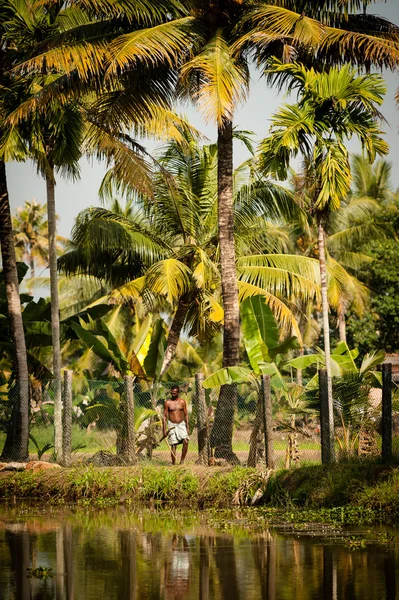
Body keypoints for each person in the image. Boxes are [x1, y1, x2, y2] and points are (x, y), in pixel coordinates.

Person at [163, 386, 189, 465]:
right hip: (172, 425)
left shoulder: (182, 402)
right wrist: (164, 429)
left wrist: (187, 427)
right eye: (172, 393)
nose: (173, 394)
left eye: (175, 393)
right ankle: (173, 463)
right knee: (173, 445)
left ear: (178, 393)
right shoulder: (168, 403)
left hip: (181, 424)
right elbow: (164, 416)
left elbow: (186, 415)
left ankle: (182, 461)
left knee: (186, 441)